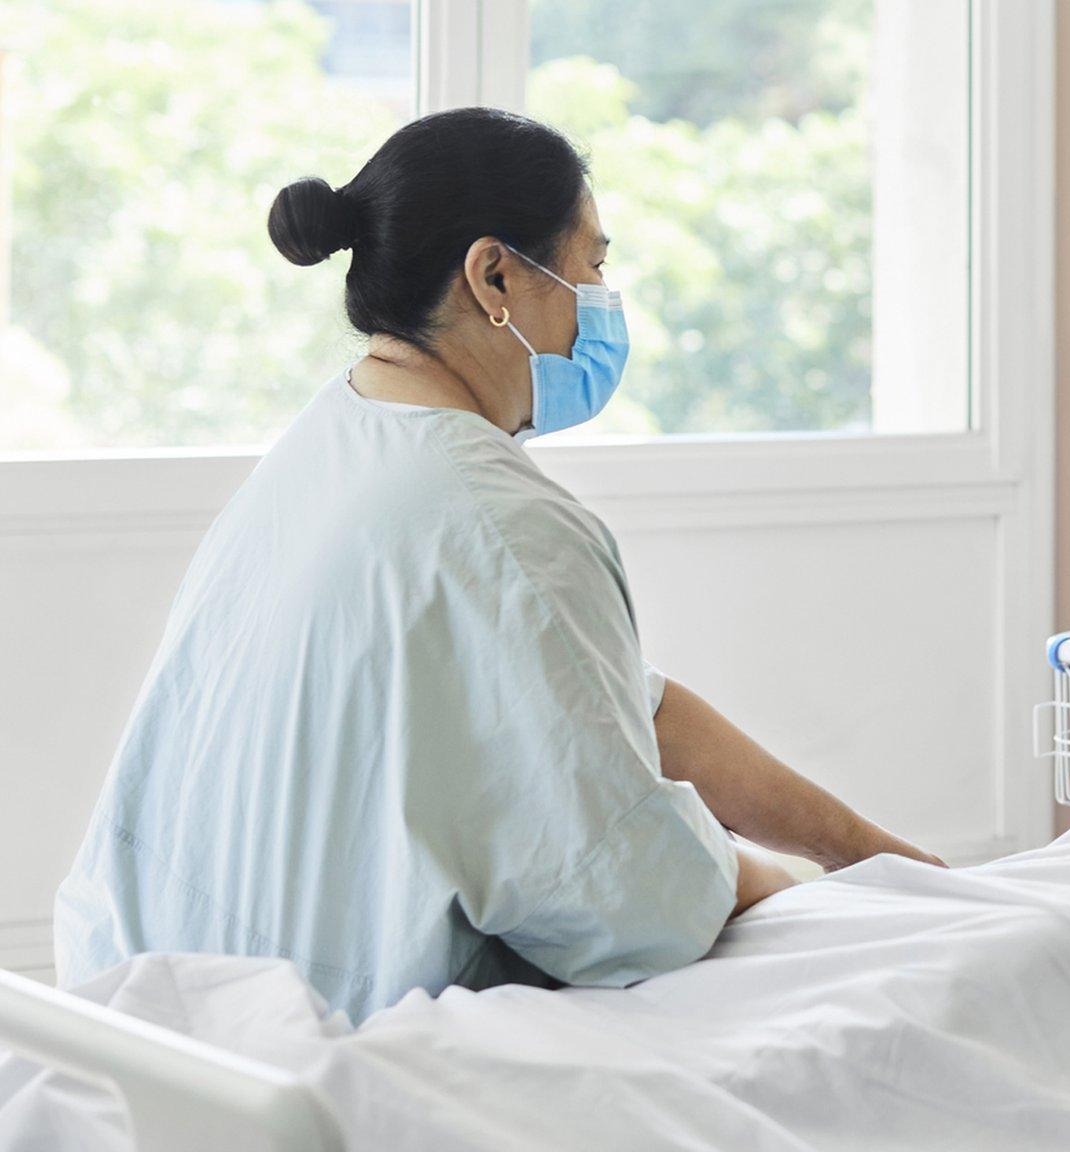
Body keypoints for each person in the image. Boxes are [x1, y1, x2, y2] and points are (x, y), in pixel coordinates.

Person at [53, 108, 940, 1023]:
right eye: (592, 265)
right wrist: (807, 895)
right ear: (495, 276)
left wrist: (865, 851)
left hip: (140, 1004)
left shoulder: (342, 436)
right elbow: (637, 905)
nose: (603, 298)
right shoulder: (500, 523)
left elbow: (620, 703)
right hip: (328, 1046)